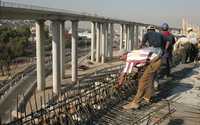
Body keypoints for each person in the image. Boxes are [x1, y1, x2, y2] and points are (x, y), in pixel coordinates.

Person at [123, 26, 165, 110]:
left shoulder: (146, 34)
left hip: (154, 57)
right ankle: (148, 96)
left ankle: (135, 103)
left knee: (143, 81)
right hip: (159, 54)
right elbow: (163, 46)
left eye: (121, 57)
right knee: (150, 78)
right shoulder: (160, 34)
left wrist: (141, 49)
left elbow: (142, 44)